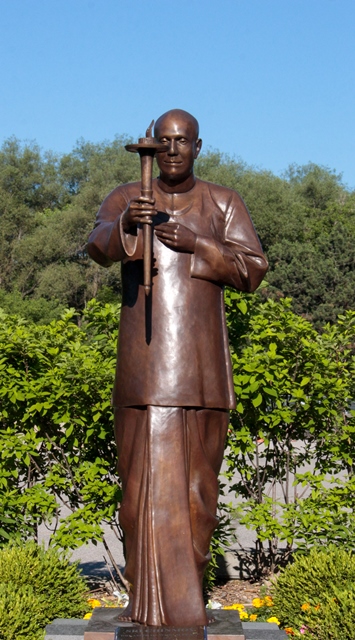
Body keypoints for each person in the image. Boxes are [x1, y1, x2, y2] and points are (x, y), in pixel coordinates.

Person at [87, 109, 268, 627]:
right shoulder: (129, 197)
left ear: (197, 146)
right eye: (163, 141)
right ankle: (145, 609)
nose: (171, 150)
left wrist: (199, 245)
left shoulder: (222, 202)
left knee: (197, 498)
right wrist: (126, 225)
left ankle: (187, 609)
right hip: (142, 377)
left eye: (181, 141)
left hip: (201, 375)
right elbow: (98, 245)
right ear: (152, 146)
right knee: (137, 494)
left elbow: (252, 270)